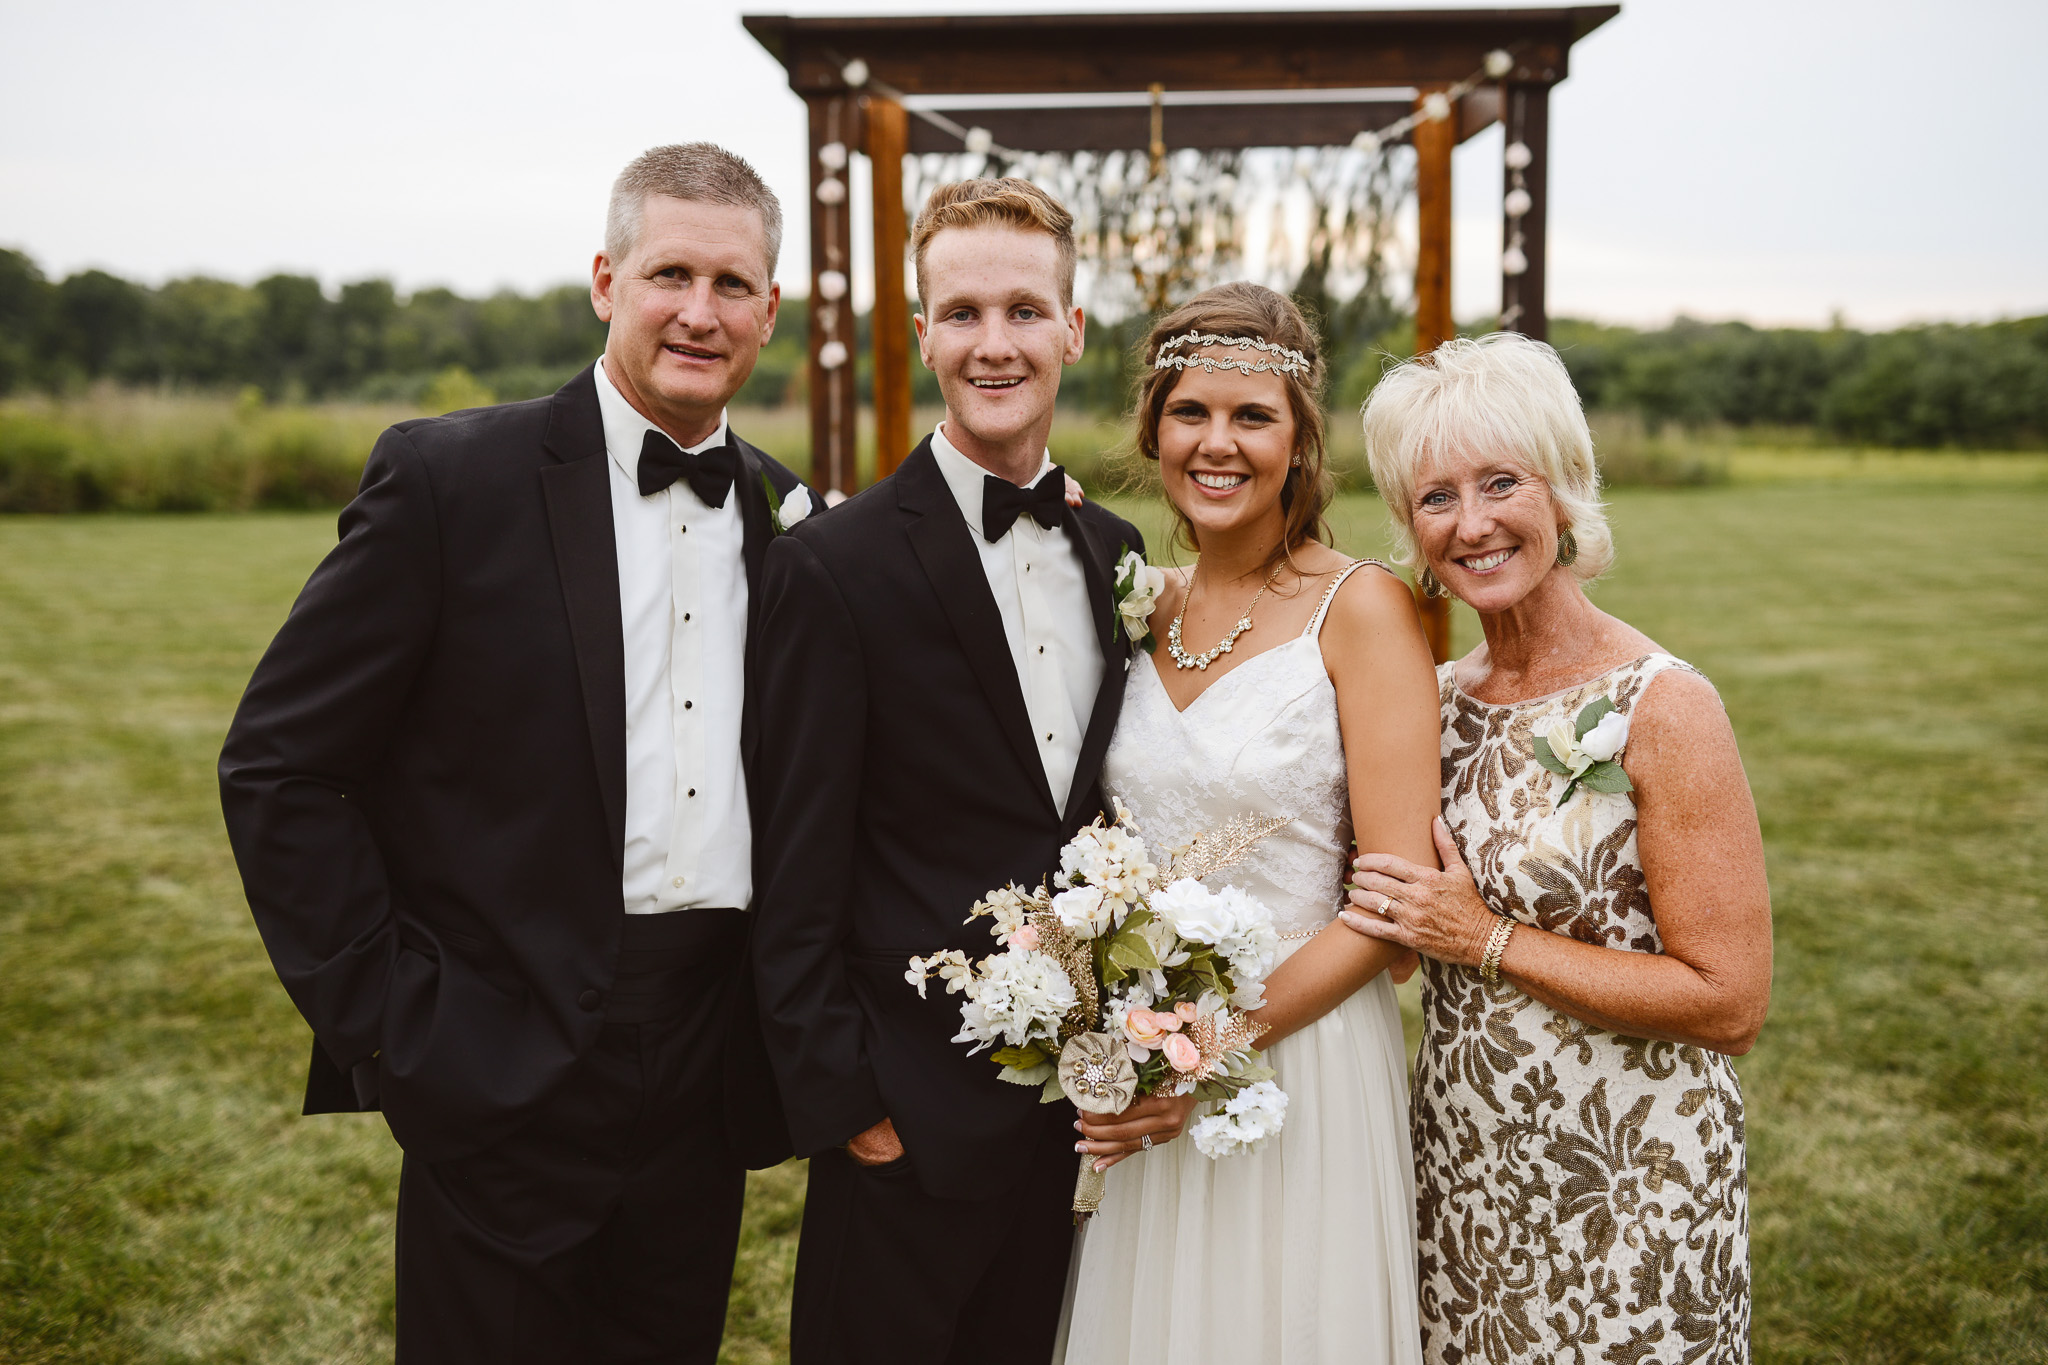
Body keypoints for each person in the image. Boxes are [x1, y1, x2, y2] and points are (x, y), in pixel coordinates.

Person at [217, 143, 809, 1363]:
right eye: (669, 275)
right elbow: (280, 766)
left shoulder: (784, 515)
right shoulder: (450, 480)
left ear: (769, 311)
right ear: (604, 281)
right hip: (497, 1048)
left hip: (705, 1061)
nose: (699, 313)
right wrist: (393, 1019)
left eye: (732, 285)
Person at [749, 178, 1146, 1365]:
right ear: (922, 335)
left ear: (1072, 330)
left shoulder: (1112, 552)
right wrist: (851, 1107)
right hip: (904, 1119)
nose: (993, 343)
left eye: (1023, 310)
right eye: (962, 313)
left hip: (1076, 1115)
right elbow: (791, 860)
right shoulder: (831, 565)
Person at [1341, 333, 1771, 1363]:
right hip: (1463, 1175)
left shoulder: (1662, 707)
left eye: (1501, 483)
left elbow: (1728, 1003)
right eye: (1435, 497)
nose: (1471, 523)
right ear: (1410, 526)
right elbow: (1394, 948)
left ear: (1565, 488)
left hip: (1633, 1186)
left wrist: (1484, 939)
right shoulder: (1430, 706)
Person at [1056, 282, 1439, 1365]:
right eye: (1190, 412)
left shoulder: (1361, 609)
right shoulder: (1136, 602)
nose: (1216, 444)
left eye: (1252, 416)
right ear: (1152, 429)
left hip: (1300, 1061)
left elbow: (1393, 906)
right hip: (1144, 1061)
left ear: (1298, 440)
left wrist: (1205, 1053)